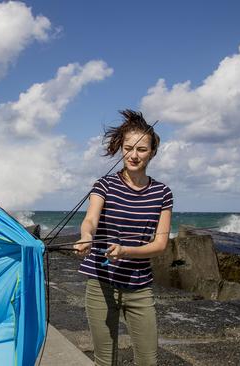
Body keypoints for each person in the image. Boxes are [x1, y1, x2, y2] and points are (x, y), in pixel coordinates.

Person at [74, 109, 173, 366]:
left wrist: (126, 251)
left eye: (141, 149)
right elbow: (91, 220)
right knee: (105, 360)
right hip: (101, 284)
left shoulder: (162, 193)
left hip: (139, 286)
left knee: (148, 360)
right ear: (121, 149)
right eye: (128, 148)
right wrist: (86, 236)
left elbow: (160, 244)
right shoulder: (104, 185)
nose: (133, 155)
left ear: (152, 152)